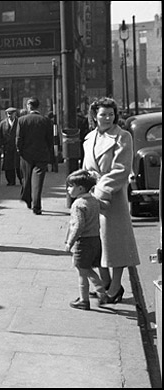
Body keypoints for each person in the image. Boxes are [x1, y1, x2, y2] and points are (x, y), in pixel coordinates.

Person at [81, 97, 139, 304]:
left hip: (111, 198)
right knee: (97, 244)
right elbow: (86, 168)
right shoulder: (89, 138)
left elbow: (121, 169)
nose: (107, 118)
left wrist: (100, 190)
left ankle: (115, 287)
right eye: (103, 114)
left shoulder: (123, 137)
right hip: (92, 198)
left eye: (111, 114)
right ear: (94, 116)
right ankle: (104, 283)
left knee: (115, 244)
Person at [64, 169, 111, 310]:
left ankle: (84, 300)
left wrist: (69, 243)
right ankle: (102, 293)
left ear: (80, 188)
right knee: (88, 269)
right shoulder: (93, 200)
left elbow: (78, 226)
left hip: (83, 242)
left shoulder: (78, 204)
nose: (68, 189)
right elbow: (105, 206)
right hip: (96, 240)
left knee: (82, 272)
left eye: (70, 186)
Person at [16, 97, 54, 215]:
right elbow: (50, 139)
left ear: (28, 106)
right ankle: (36, 205)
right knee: (38, 180)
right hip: (41, 154)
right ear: (38, 107)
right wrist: (50, 153)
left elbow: (18, 138)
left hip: (26, 155)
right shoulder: (46, 120)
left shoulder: (22, 120)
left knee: (26, 178)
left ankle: (28, 199)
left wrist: (19, 150)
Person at [0, 107, 22, 186]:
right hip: (7, 147)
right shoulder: (2, 123)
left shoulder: (19, 122)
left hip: (17, 147)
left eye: (11, 114)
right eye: (8, 114)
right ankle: (10, 181)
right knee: (8, 165)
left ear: (15, 114)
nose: (9, 116)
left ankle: (22, 179)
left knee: (18, 164)